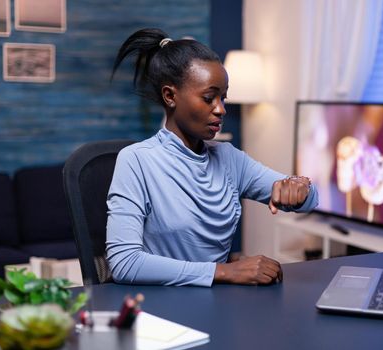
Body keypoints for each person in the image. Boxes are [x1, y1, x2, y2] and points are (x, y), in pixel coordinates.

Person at [106, 28, 319, 287]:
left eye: (223, 97)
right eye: (209, 98)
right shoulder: (136, 161)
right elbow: (124, 263)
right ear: (170, 96)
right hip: (159, 310)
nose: (220, 109)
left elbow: (309, 200)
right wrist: (227, 271)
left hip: (217, 304)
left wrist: (298, 187)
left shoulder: (229, 158)